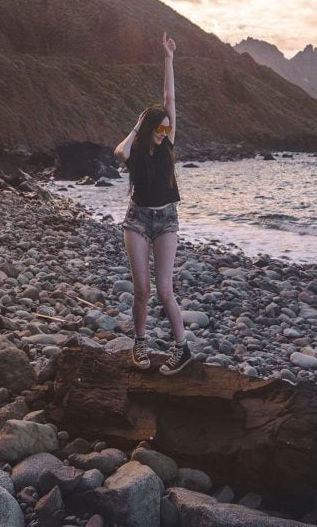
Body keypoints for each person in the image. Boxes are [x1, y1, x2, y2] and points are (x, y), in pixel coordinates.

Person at [113, 31, 193, 375]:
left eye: (166, 129)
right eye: (158, 129)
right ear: (148, 128)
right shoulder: (136, 152)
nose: (164, 133)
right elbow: (120, 151)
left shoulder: (167, 144)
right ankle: (140, 343)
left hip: (166, 221)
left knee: (164, 290)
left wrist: (169, 59)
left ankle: (182, 347)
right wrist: (137, 124)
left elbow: (169, 98)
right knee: (142, 290)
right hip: (137, 220)